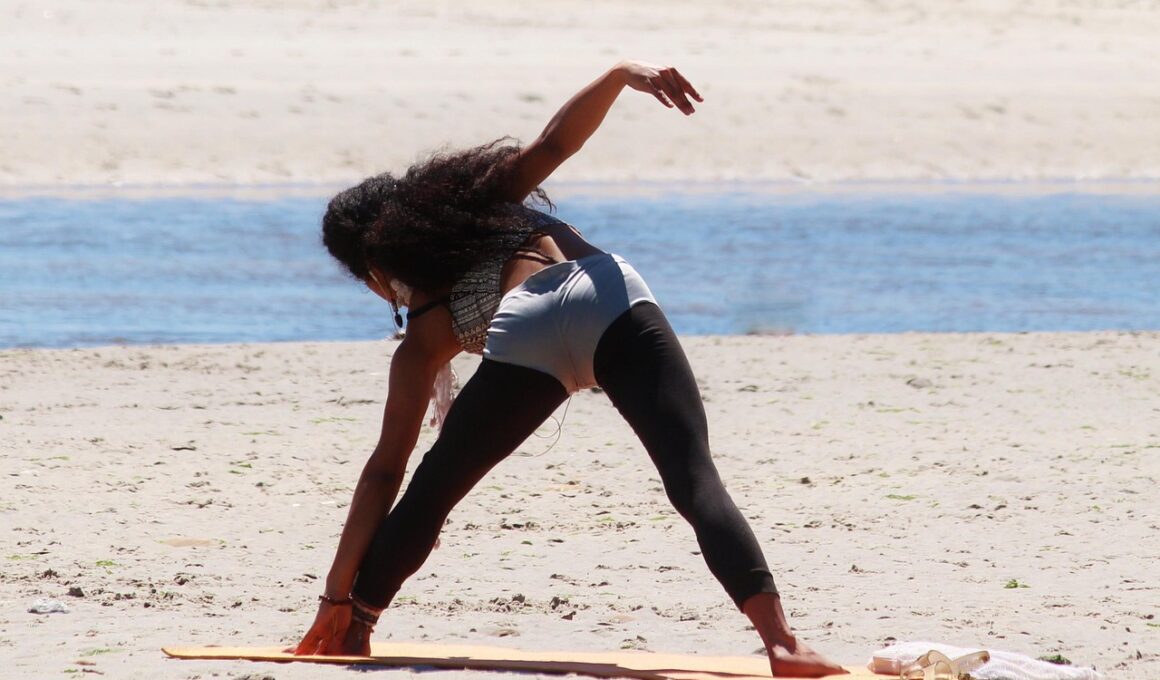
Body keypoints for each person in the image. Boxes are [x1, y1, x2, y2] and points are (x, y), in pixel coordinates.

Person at [292, 60, 846, 678]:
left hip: (528, 329)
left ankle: (354, 627)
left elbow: (383, 475)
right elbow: (556, 144)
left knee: (433, 490)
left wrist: (336, 596)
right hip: (607, 296)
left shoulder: (424, 329)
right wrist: (619, 76)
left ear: (375, 268)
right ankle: (782, 644)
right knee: (693, 479)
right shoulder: (486, 203)